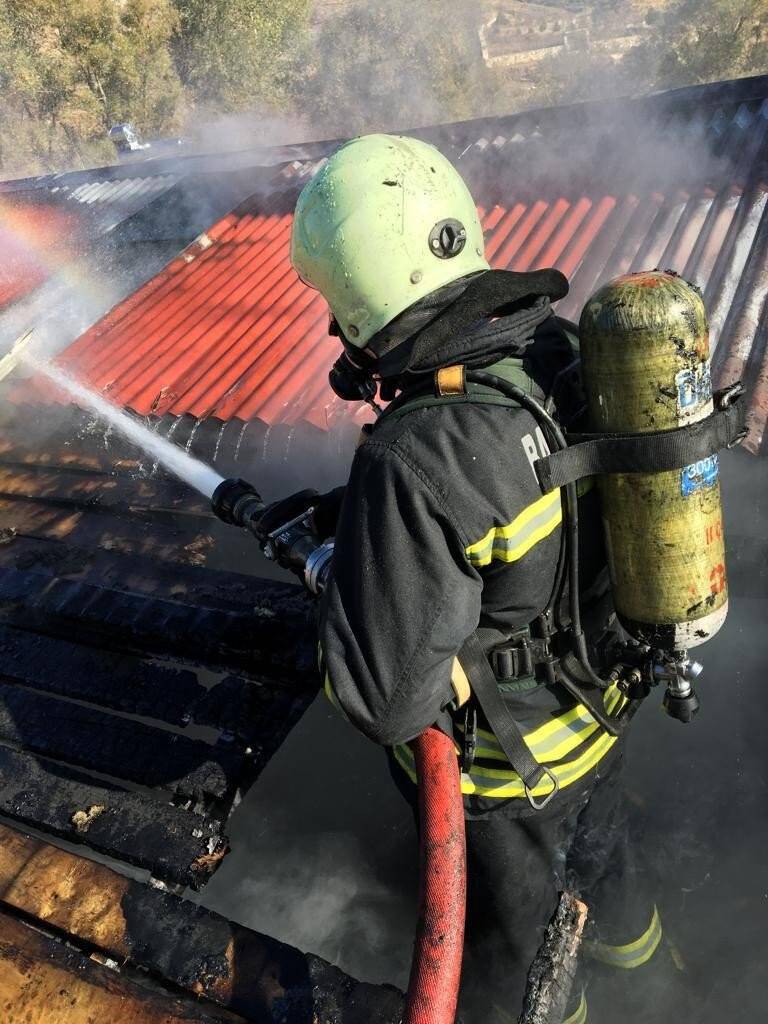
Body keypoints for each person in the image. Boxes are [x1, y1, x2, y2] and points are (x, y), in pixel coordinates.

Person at [281, 133, 675, 1023]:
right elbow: (522, 508)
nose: (333, 326)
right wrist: (363, 523)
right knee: (613, 882)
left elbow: (385, 702)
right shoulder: (557, 352)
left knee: (531, 968)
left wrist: (341, 578)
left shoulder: (413, 453)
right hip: (602, 715)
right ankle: (663, 986)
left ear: (361, 291)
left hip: (504, 786)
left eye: (334, 302)